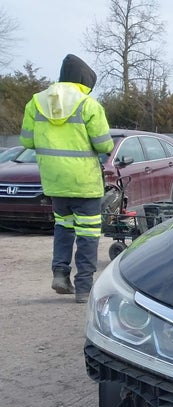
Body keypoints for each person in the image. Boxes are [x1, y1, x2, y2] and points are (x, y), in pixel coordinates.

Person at [20, 54, 114, 304]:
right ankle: (84, 288)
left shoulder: (35, 102)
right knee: (88, 234)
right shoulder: (88, 105)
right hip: (84, 183)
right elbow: (104, 144)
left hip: (55, 182)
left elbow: (26, 141)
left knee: (63, 227)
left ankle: (60, 274)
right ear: (84, 80)